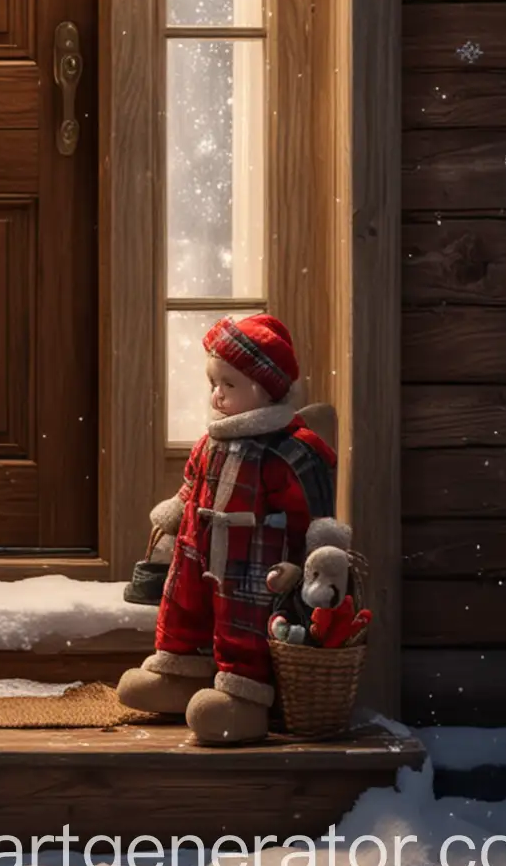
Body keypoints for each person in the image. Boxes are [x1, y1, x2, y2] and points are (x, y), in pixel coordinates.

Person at [115, 313, 348, 744]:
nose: (217, 395)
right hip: (195, 548)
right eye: (213, 385)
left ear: (265, 389)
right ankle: (179, 669)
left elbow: (311, 509)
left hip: (250, 555)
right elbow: (192, 482)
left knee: (242, 621)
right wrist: (176, 509)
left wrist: (315, 554)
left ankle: (244, 695)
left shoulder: (287, 449)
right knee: (182, 607)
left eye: (229, 385)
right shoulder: (211, 441)